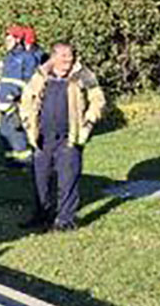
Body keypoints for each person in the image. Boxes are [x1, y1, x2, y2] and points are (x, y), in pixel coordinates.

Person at [19, 43, 106, 232]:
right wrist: (29, 125)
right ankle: (42, 216)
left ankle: (65, 221)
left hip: (69, 138)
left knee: (68, 182)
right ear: (53, 57)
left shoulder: (83, 74)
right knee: (41, 181)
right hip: (43, 138)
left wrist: (88, 123)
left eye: (71, 55)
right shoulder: (40, 75)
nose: (69, 59)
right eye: (64, 55)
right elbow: (26, 99)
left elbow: (98, 100)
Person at [0, 25, 42, 168]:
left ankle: (26, 161)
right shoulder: (9, 57)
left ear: (18, 40)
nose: (6, 42)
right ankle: (10, 160)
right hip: (4, 102)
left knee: (16, 132)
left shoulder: (27, 58)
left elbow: (27, 82)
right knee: (5, 132)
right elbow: (5, 79)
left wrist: (13, 97)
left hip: (17, 102)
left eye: (9, 39)